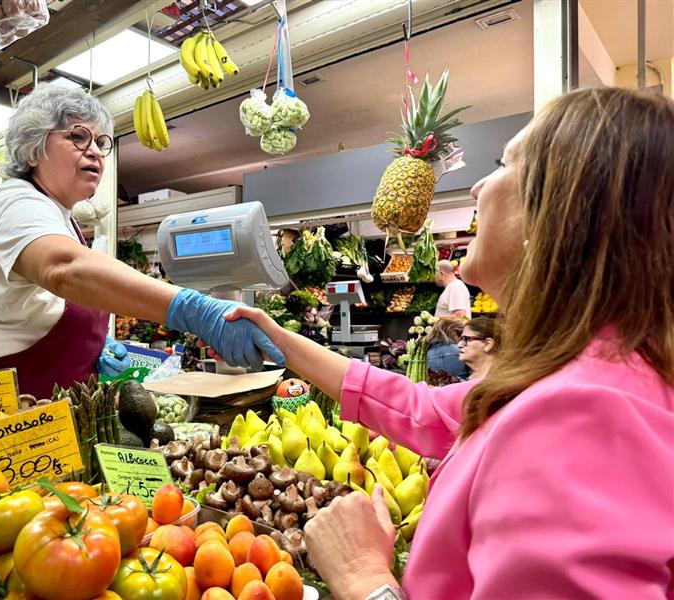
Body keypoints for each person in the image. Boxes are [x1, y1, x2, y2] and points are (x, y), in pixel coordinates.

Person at [226, 87, 674, 598]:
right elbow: (419, 408)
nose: (481, 183)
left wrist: (364, 578)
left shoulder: (584, 416)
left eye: (505, 163)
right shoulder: (568, 377)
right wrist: (282, 339)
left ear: (562, 213)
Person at [0, 84, 284, 398]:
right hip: (5, 397)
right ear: (33, 150)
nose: (95, 152)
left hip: (48, 395)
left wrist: (91, 346)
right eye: (78, 137)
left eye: (100, 143)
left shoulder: (60, 216)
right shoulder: (15, 203)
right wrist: (193, 311)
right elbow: (65, 269)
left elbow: (42, 305)